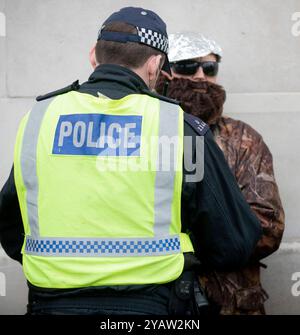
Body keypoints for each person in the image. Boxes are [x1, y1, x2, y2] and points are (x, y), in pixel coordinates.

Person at [0, 8, 262, 315]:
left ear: (93, 57)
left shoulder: (39, 119)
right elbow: (234, 242)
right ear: (154, 65)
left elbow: (11, 225)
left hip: (50, 305)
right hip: (152, 308)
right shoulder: (179, 128)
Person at [155, 32, 285, 315]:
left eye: (209, 67)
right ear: (165, 72)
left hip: (232, 303)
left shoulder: (243, 139)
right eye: (188, 66)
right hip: (160, 302)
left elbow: (268, 226)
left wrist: (195, 246)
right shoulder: (145, 133)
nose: (201, 76)